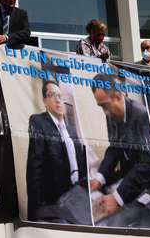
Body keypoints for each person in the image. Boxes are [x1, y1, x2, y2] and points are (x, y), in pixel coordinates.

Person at [89, 74, 150, 218]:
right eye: (101, 107)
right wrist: (99, 177)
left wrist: (117, 197)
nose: (105, 112)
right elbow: (114, 149)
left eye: (105, 106)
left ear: (117, 96)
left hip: (149, 186)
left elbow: (148, 164)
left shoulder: (143, 116)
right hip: (128, 181)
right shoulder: (111, 115)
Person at [26, 80, 88, 221]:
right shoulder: (38, 122)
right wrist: (36, 210)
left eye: (60, 96)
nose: (58, 99)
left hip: (76, 200)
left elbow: (82, 165)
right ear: (45, 101)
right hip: (53, 203)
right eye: (52, 95)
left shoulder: (72, 131)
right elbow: (35, 168)